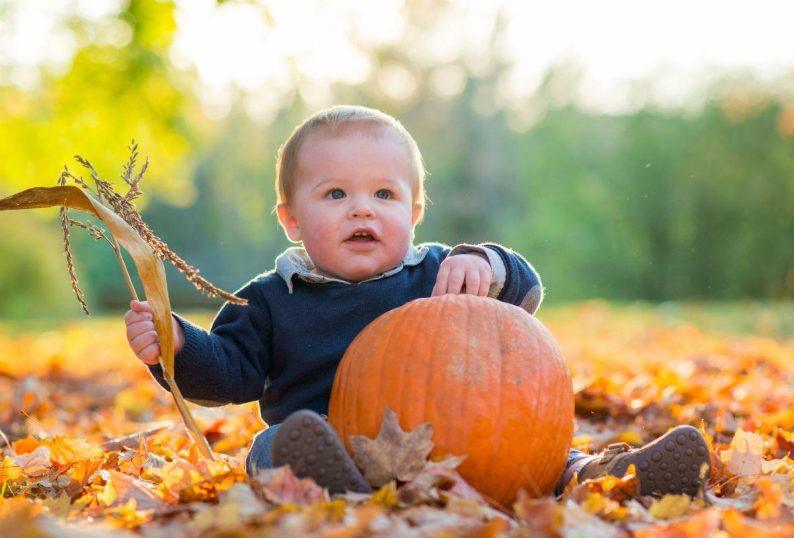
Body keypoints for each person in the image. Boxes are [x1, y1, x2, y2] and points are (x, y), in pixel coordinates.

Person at [124, 105, 710, 498]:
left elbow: (525, 291)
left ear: (414, 212)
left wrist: (485, 264)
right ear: (292, 220)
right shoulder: (272, 300)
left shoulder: (436, 271)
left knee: (545, 459)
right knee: (277, 446)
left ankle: (616, 476)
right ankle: (337, 488)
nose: (362, 208)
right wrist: (174, 345)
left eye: (384, 193)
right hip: (343, 447)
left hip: (466, 442)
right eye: (335, 194)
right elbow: (226, 375)